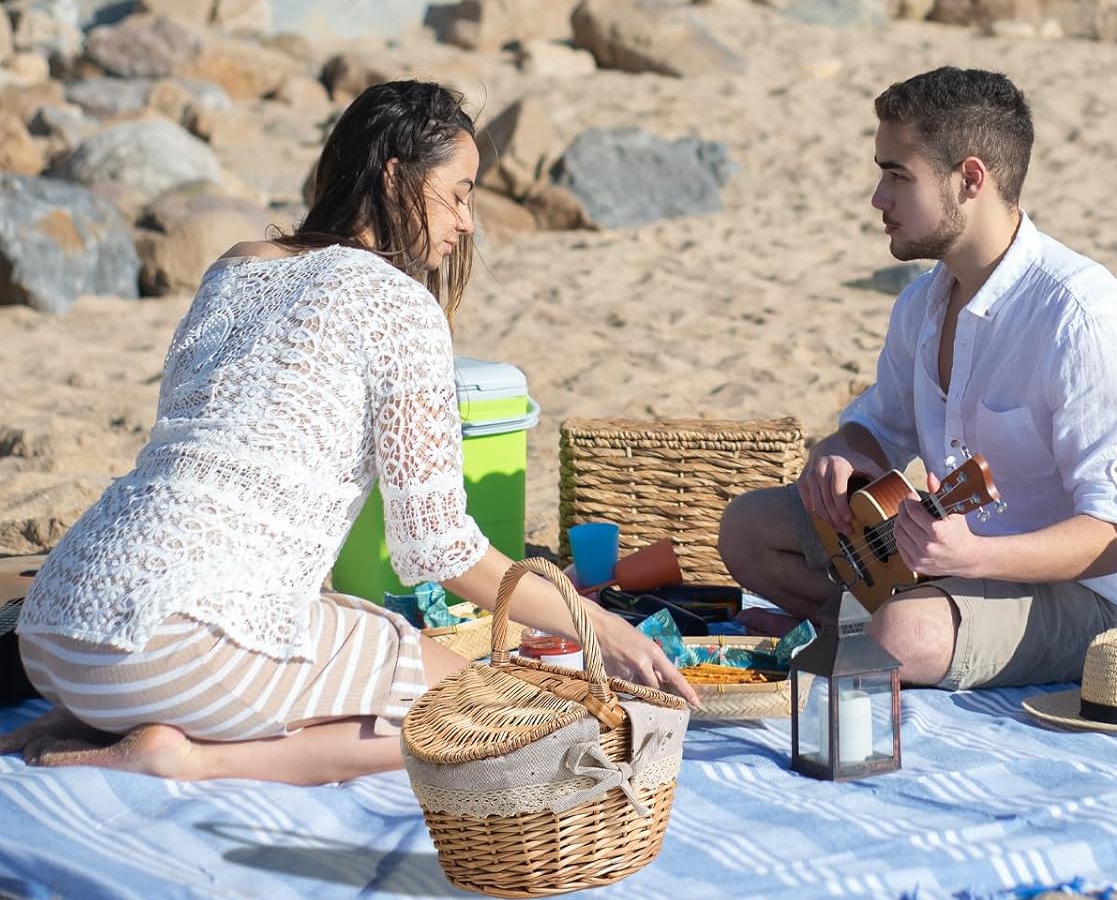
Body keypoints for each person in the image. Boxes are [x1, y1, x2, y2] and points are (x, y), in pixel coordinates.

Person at [2, 79, 696, 783]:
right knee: (477, 713)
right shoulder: (396, 304)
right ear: (396, 178)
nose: (469, 222)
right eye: (458, 193)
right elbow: (437, 550)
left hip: (56, 631)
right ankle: (189, 758)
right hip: (176, 647)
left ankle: (106, 711)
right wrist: (594, 625)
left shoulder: (237, 266)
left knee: (331, 631)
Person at [719, 66, 1117, 690]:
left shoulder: (1084, 322)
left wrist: (976, 557)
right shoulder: (923, 304)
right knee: (747, 531)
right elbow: (876, 432)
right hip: (949, 560)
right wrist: (837, 456)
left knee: (904, 636)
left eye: (896, 175)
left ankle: (857, 638)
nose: (877, 199)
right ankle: (862, 636)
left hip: (1096, 602)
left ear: (971, 179)